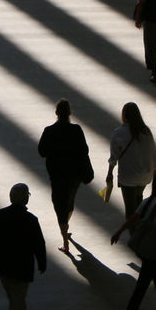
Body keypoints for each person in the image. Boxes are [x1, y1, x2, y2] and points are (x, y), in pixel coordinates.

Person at [110, 173, 156, 310]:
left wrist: (119, 232)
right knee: (143, 284)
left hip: (143, 246)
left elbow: (133, 219)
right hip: (153, 249)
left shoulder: (146, 202)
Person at [0, 183, 47, 310]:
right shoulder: (30, 220)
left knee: (16, 299)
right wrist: (42, 263)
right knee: (16, 303)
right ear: (25, 198)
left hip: (3, 267)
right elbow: (39, 244)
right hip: (21, 269)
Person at [36, 99, 92, 253]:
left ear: (56, 113)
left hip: (57, 174)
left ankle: (65, 239)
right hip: (75, 175)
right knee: (70, 201)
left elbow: (41, 152)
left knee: (59, 204)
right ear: (70, 113)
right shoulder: (77, 130)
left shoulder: (49, 131)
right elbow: (85, 150)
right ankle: (65, 228)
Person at [105, 102, 156, 222]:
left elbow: (113, 157)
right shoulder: (146, 131)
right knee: (138, 199)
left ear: (124, 115)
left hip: (128, 177)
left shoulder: (118, 132)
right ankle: (140, 224)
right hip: (145, 176)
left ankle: (135, 235)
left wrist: (109, 174)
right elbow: (153, 154)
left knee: (130, 209)